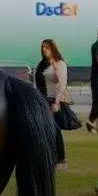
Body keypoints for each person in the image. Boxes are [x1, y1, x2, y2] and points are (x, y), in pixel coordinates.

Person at [35, 38, 73, 169]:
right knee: (44, 129)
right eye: (43, 47)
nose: (44, 50)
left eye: (47, 47)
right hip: (42, 99)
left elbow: (62, 84)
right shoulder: (41, 64)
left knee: (54, 129)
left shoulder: (59, 63)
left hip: (54, 100)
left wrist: (57, 102)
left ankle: (61, 160)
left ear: (53, 49)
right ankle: (48, 157)